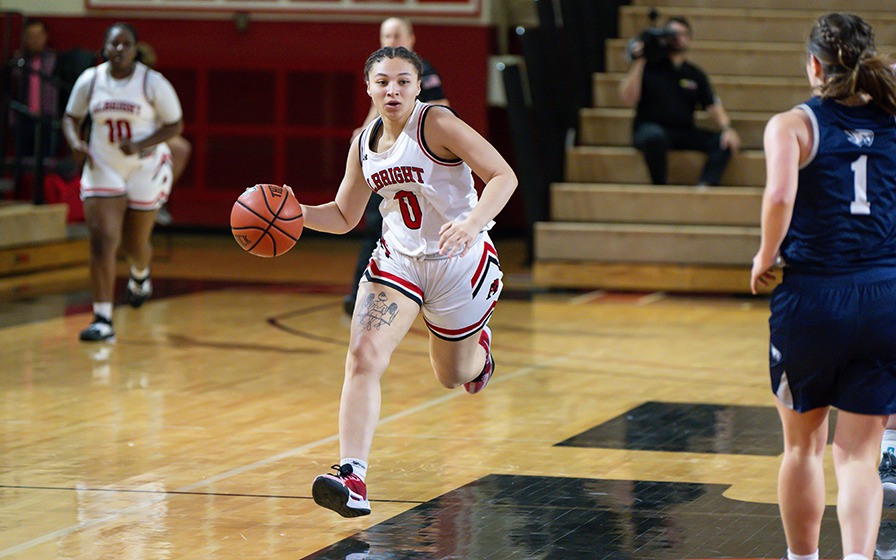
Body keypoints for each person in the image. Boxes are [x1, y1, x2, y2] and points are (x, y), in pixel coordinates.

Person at [304, 46, 516, 517]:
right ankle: (352, 475)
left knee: (451, 375)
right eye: (382, 81)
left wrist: (472, 222)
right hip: (398, 261)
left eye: (403, 81)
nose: (392, 89)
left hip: (459, 259)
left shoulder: (436, 123)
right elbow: (343, 215)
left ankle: (479, 352)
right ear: (368, 88)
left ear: (419, 86)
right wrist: (291, 214)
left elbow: (503, 176)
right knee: (362, 357)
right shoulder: (363, 141)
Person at [750, 13, 896, 560]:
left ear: (813, 64)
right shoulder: (892, 117)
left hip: (814, 298)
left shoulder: (793, 124)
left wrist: (764, 257)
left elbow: (781, 197)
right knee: (858, 455)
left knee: (803, 448)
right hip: (885, 296)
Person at [62, 23, 184, 341]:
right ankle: (102, 317)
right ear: (104, 48)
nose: (119, 49)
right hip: (104, 163)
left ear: (134, 48)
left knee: (133, 244)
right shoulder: (91, 80)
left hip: (144, 166)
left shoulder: (152, 82)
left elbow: (174, 125)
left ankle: (140, 275)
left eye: (125, 44)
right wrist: (75, 141)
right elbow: (70, 118)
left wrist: (143, 143)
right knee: (103, 241)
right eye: (113, 44)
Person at [343, 16, 450, 315]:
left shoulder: (423, 72)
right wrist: (361, 137)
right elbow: (373, 114)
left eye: (397, 35)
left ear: (411, 39)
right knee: (375, 226)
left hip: (419, 169)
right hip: (387, 164)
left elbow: (443, 108)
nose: (391, 41)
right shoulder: (381, 78)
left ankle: (429, 297)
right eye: (386, 36)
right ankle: (361, 295)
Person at [617, 15, 741, 186]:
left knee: (724, 143)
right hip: (649, 128)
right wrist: (640, 60)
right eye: (672, 34)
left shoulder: (694, 74)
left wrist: (727, 128)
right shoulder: (649, 67)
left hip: (683, 131)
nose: (677, 38)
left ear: (689, 39)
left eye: (682, 34)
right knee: (655, 138)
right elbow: (627, 99)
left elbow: (711, 104)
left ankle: (706, 185)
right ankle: (660, 186)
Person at [136, 40, 192, 226]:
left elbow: (176, 125)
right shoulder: (112, 81)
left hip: (150, 138)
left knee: (180, 148)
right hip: (122, 138)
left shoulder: (156, 84)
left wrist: (153, 139)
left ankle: (157, 199)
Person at [8, 18, 59, 159]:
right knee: (23, 162)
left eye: (38, 35)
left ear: (45, 37)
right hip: (23, 117)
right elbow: (11, 91)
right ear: (24, 38)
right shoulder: (18, 62)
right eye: (30, 36)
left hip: (48, 118)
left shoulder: (54, 60)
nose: (34, 40)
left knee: (47, 162)